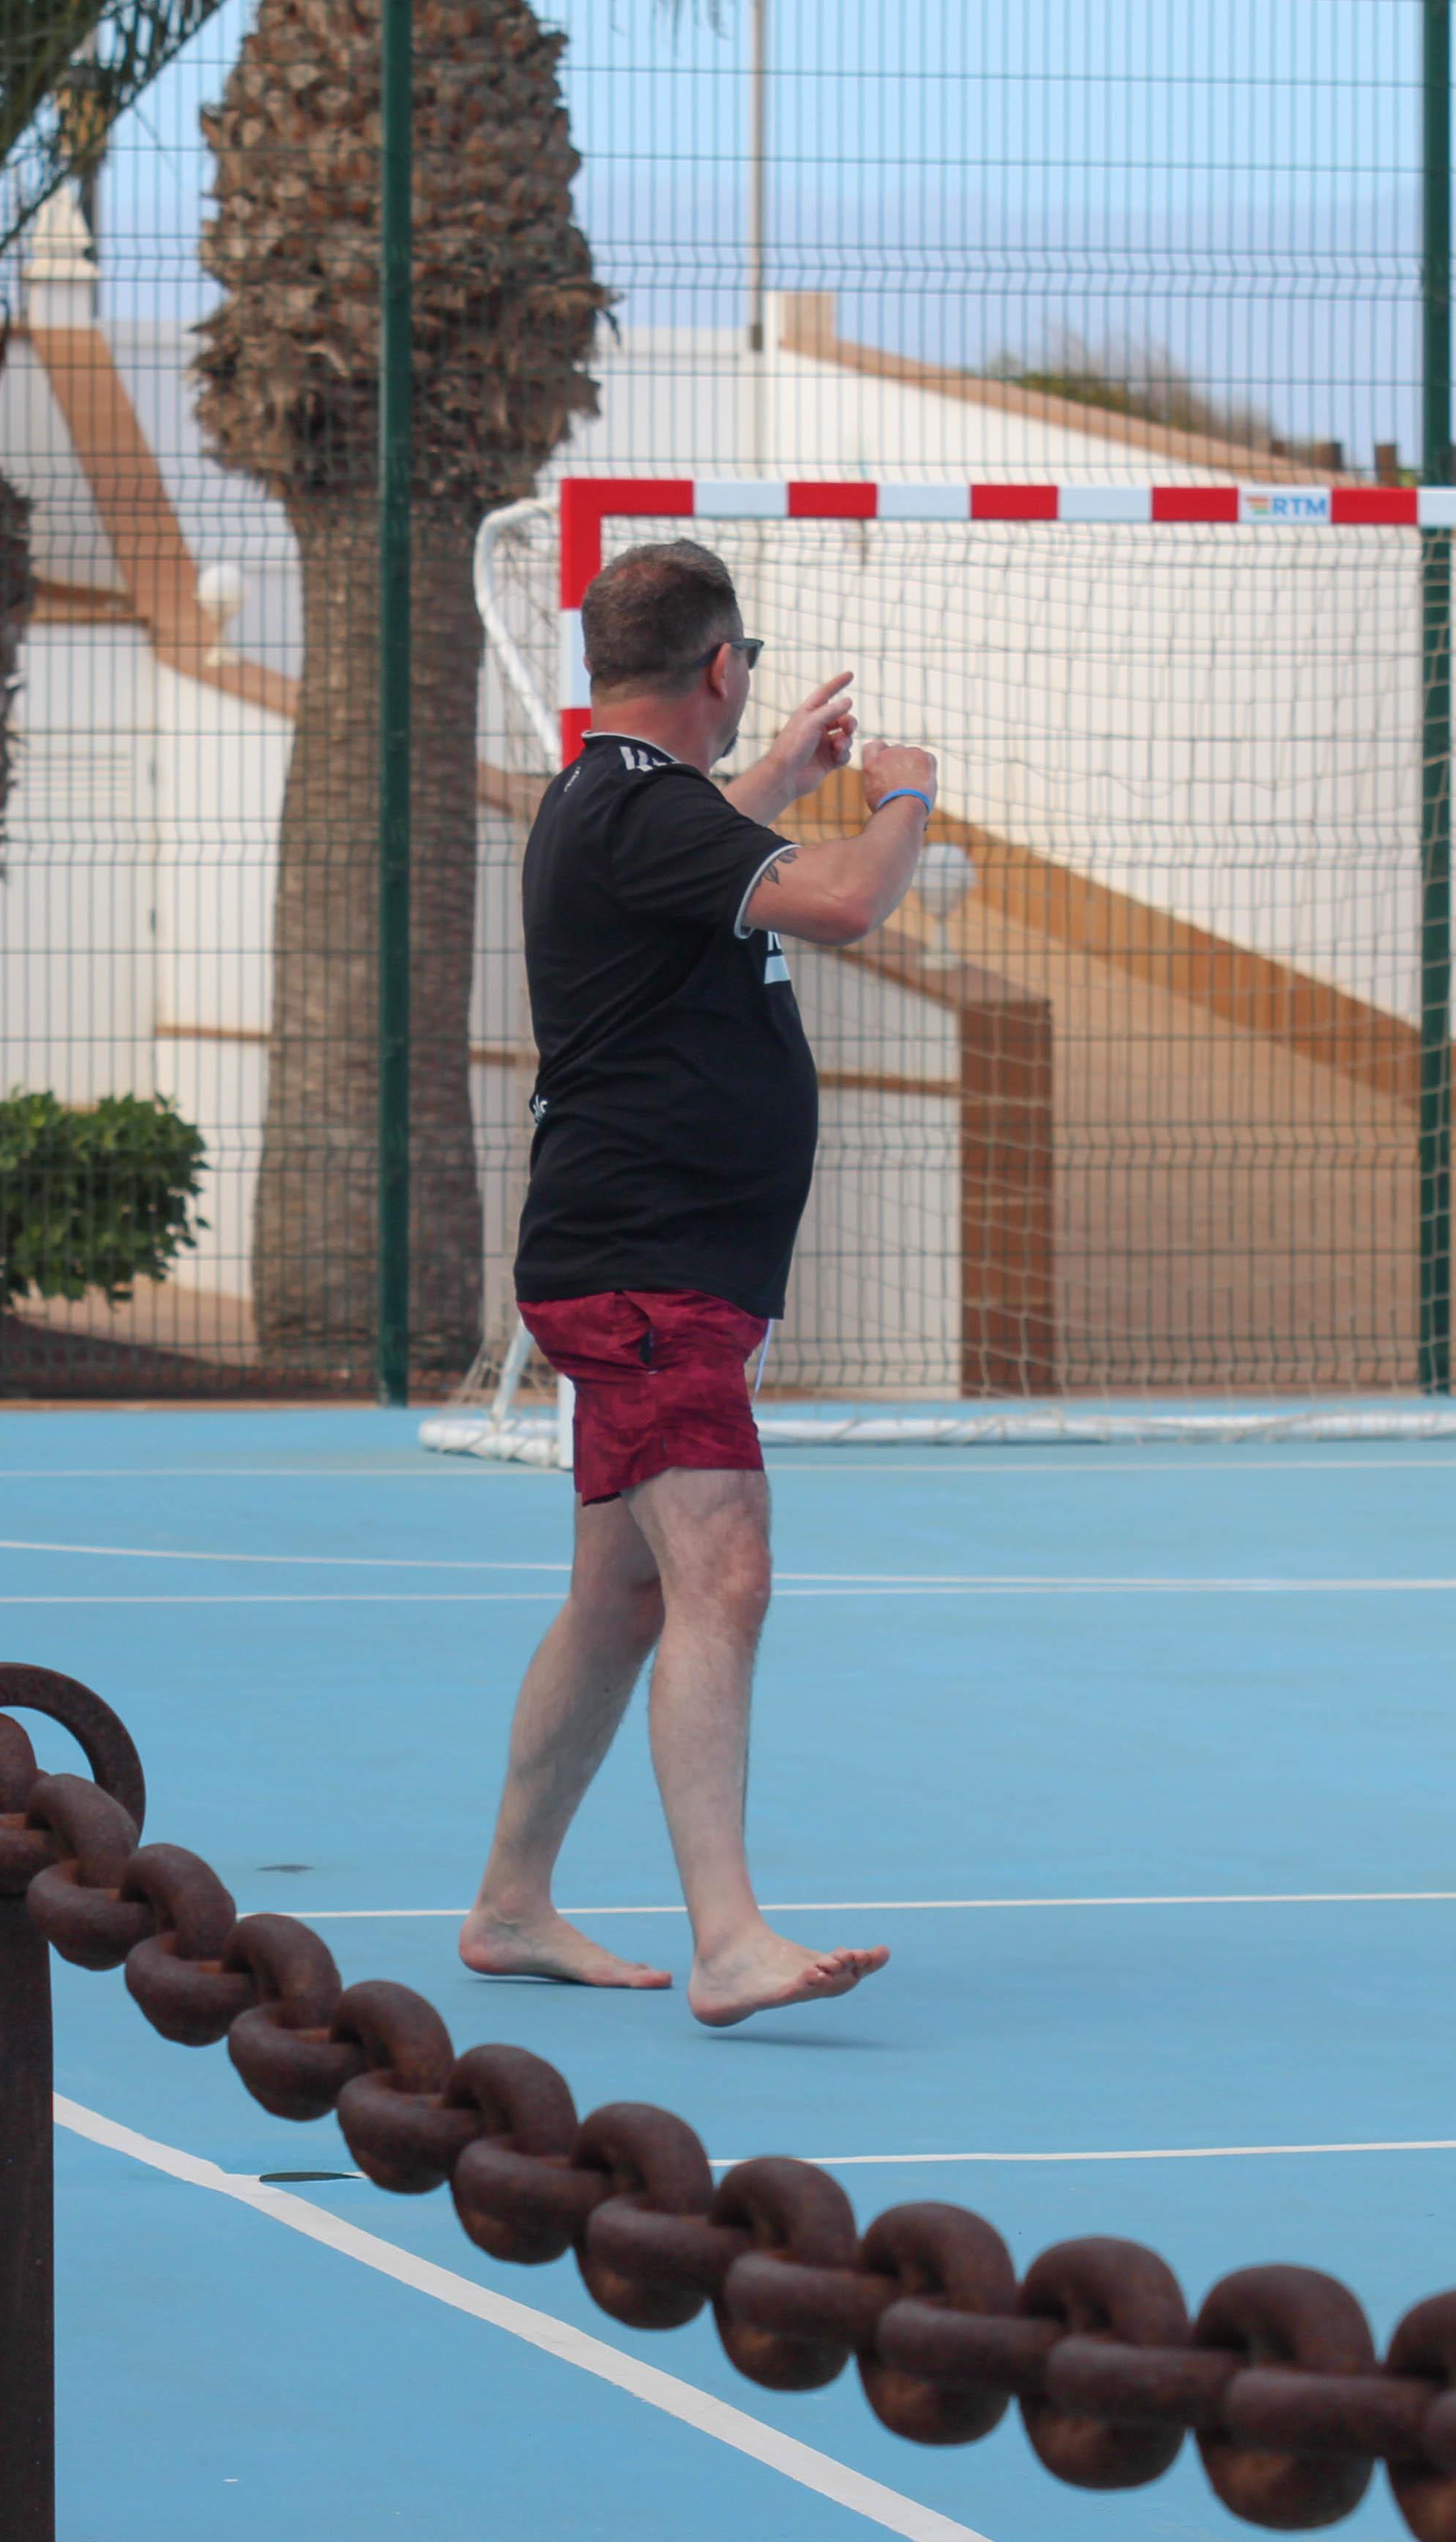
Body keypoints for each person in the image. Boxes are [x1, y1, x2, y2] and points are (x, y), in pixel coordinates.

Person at [458, 540, 940, 2025]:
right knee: (725, 1571)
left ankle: (510, 1902)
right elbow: (853, 905)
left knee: (621, 1600)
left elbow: (704, 849)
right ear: (718, 667)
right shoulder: (645, 817)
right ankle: (727, 1936)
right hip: (648, 1272)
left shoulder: (611, 803)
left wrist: (779, 780)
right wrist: (900, 791)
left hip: (644, 1264)